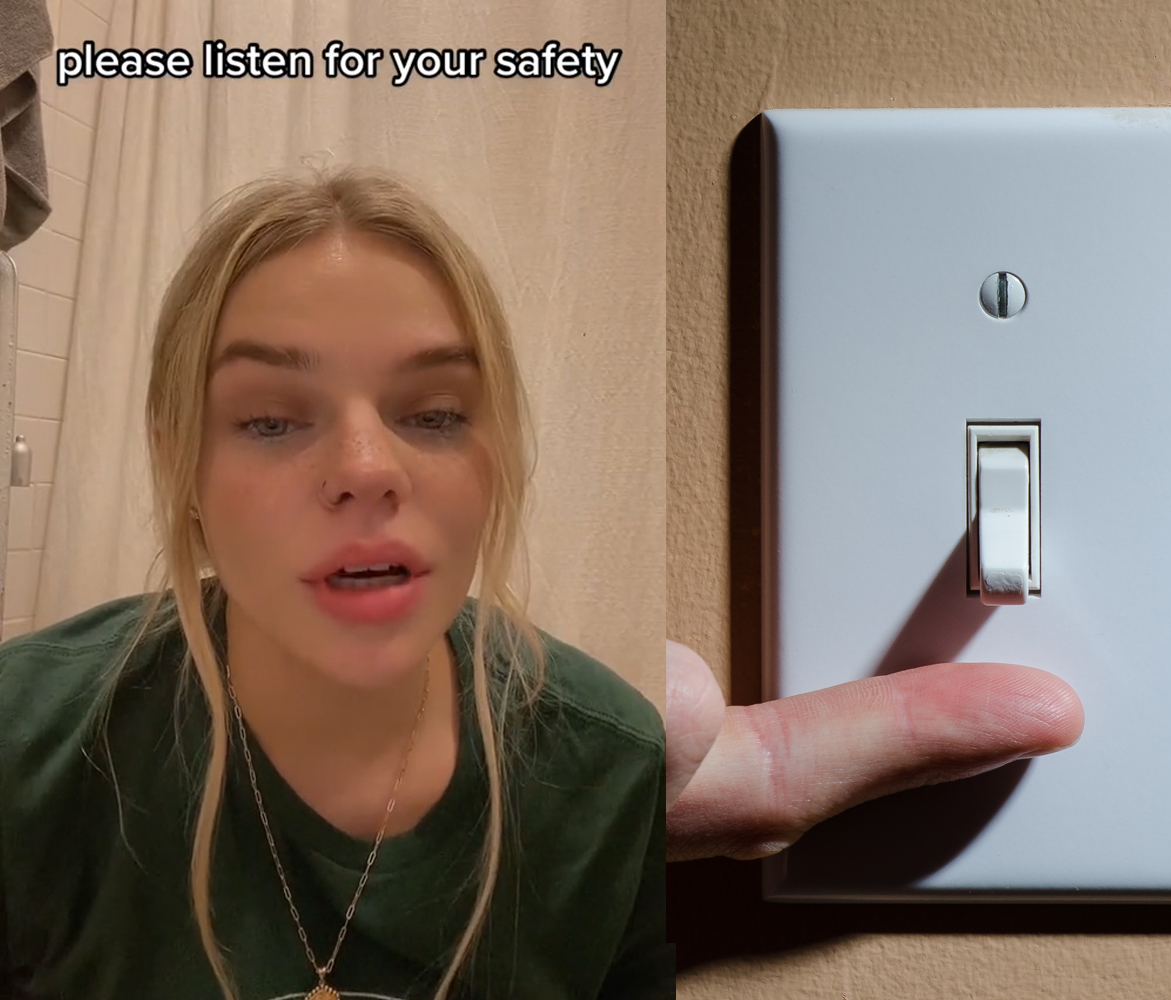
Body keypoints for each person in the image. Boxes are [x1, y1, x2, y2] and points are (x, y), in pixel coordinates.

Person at [0, 167, 1084, 1000]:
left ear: (499, 456)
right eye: (272, 418)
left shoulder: (609, 767)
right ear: (183, 459)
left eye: (432, 413)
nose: (367, 469)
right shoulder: (25, 740)